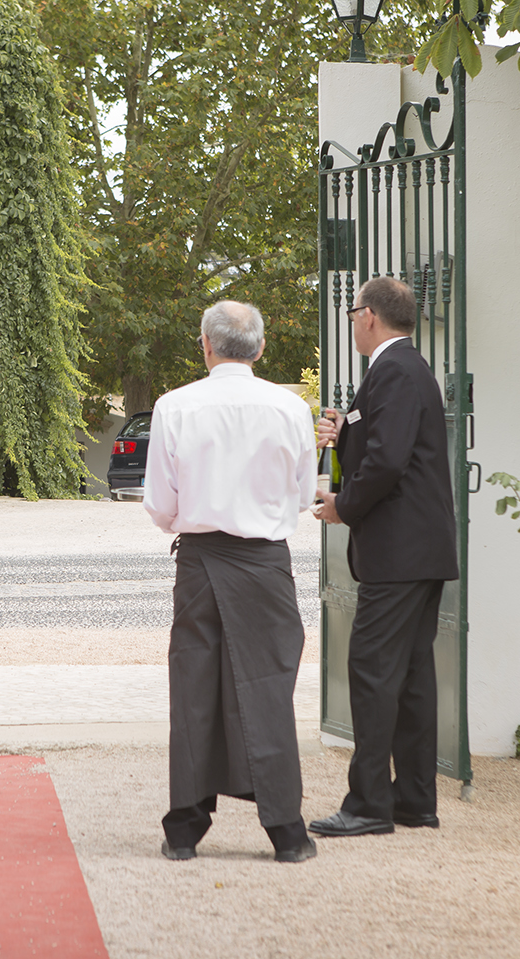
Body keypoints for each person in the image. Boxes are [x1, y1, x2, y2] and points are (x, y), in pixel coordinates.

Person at [143, 300, 319, 864]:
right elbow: (301, 495)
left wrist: (196, 523)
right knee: (269, 686)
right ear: (261, 348)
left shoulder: (175, 407)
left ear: (206, 344)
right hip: (266, 561)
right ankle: (287, 831)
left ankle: (185, 829)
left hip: (200, 558)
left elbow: (159, 503)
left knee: (193, 688)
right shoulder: (290, 408)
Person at [308, 275, 459, 837]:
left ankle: (369, 804)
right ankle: (415, 800)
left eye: (352, 314)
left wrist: (343, 506)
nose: (351, 324)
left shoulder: (392, 369)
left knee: (371, 670)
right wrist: (345, 431)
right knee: (413, 677)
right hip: (422, 550)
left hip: (398, 552)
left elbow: (390, 461)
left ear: (368, 315)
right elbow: (387, 446)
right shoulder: (410, 369)